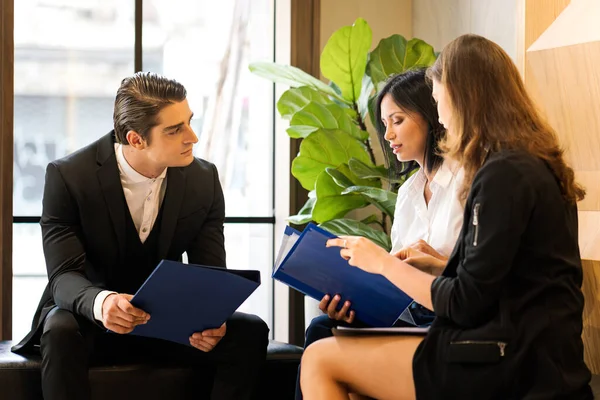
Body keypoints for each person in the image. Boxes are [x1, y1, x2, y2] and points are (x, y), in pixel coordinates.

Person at [300, 34, 593, 399]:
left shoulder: (502, 174)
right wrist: (440, 267)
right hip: (530, 349)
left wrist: (383, 264)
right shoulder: (527, 166)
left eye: (439, 102)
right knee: (336, 350)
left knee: (319, 359)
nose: (441, 117)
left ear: (463, 97)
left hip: (510, 358)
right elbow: (507, 277)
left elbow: (465, 303)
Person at [11, 72, 270, 400]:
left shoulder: (204, 179)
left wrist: (211, 318)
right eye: (175, 130)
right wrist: (103, 303)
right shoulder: (68, 177)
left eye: (189, 122)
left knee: (249, 332)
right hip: (92, 322)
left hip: (168, 322)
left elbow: (210, 274)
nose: (193, 137)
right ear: (135, 139)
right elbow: (63, 278)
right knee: (60, 328)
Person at [295, 68, 465, 399]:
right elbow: (397, 279)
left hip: (445, 317)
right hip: (409, 313)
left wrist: (434, 262)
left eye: (397, 121)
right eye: (384, 124)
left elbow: (476, 278)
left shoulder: (468, 184)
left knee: (321, 341)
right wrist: (351, 300)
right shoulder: (408, 193)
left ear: (432, 116)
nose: (387, 136)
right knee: (323, 325)